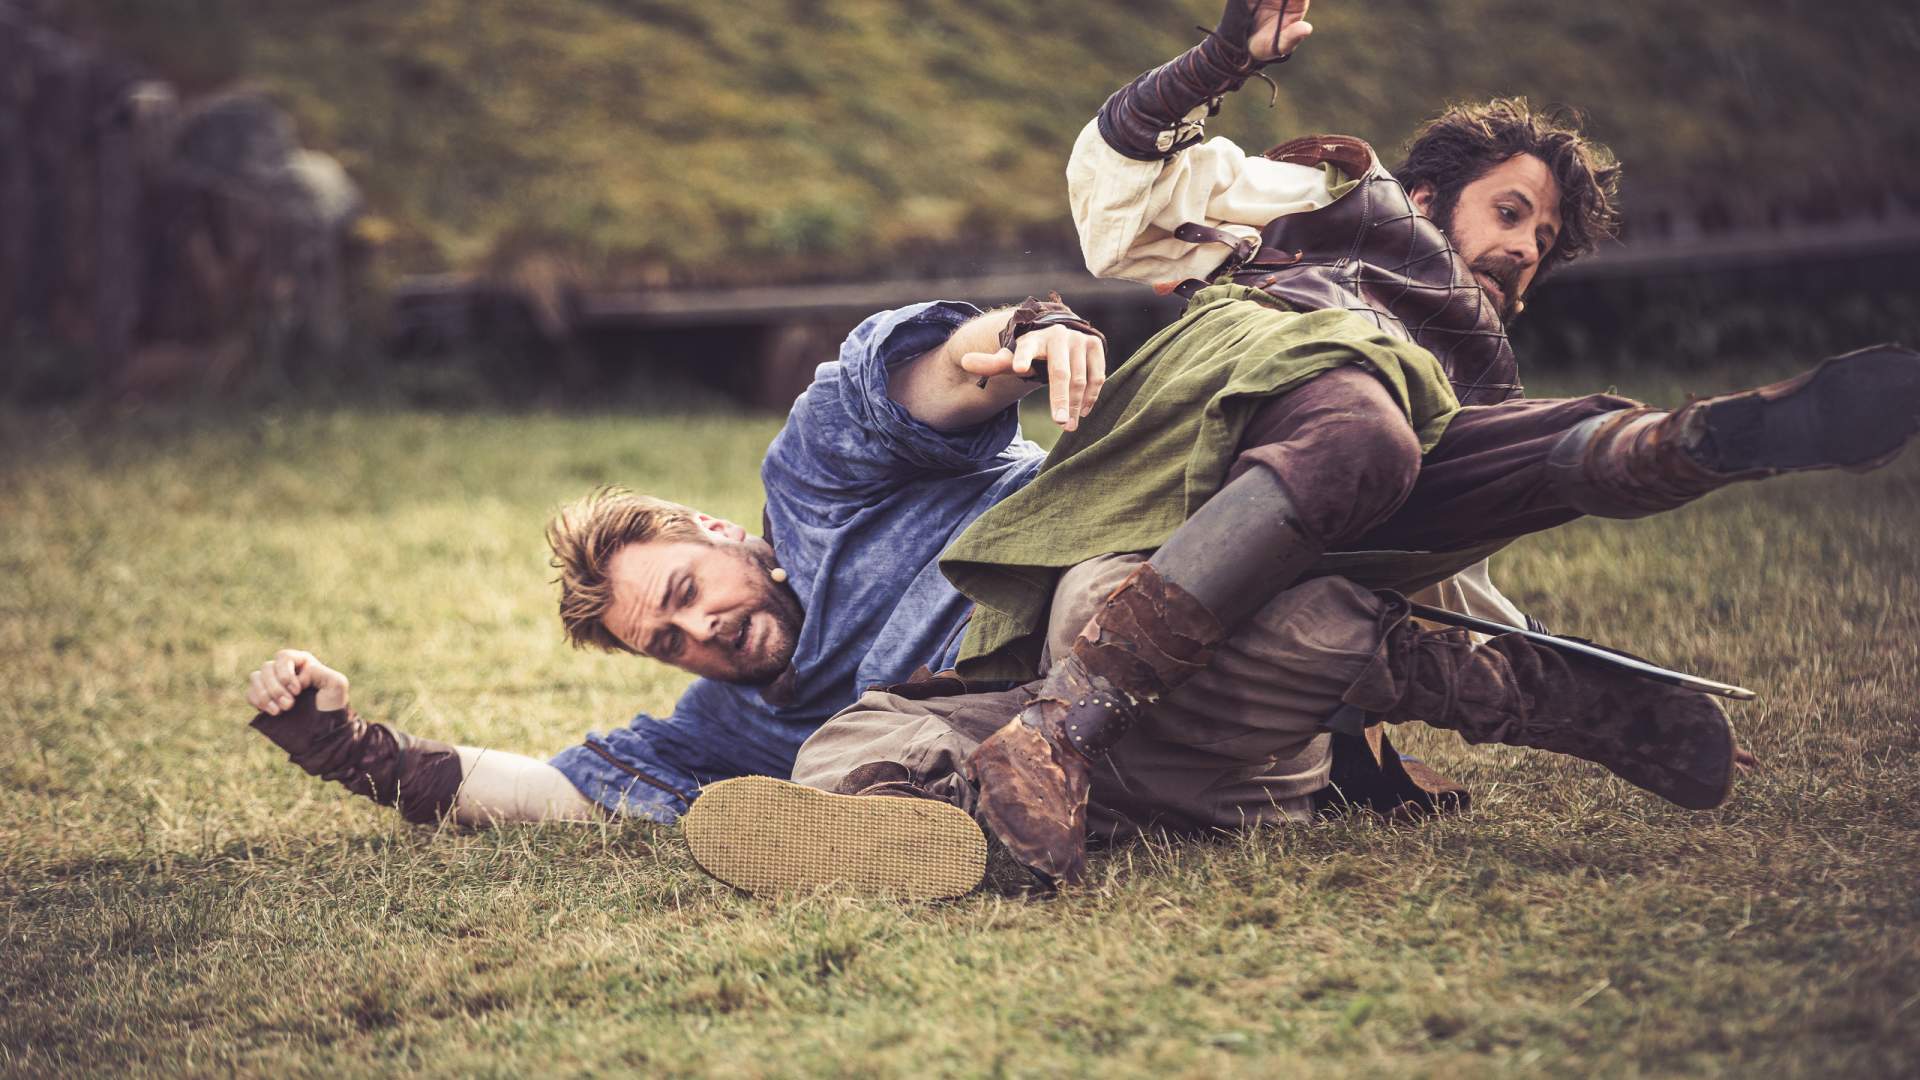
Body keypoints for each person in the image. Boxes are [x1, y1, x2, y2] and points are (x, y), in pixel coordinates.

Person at [674, 0, 1920, 896]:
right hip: (1244, 392)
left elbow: (1455, 573)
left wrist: (1614, 692)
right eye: (1510, 210)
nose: (1525, 246)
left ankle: (1694, 442)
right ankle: (998, 782)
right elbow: (1118, 187)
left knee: (1453, 476)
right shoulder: (1330, 211)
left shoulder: (1472, 376)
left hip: (1222, 615)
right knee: (1355, 457)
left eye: (1544, 239)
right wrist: (1221, 58)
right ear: (1430, 201)